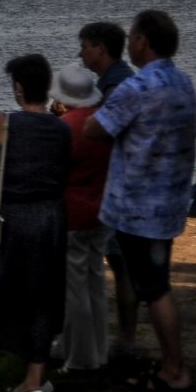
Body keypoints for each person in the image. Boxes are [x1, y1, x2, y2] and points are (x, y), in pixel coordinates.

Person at [87, 9, 196, 392]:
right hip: (169, 201)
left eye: (133, 36)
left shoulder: (137, 87)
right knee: (154, 284)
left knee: (155, 289)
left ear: (142, 42)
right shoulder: (183, 82)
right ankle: (169, 363)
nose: (131, 42)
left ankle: (174, 370)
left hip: (137, 207)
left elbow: (97, 128)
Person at [0, 54, 73, 392]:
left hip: (15, 218)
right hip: (50, 216)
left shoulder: (4, 123)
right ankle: (37, 371)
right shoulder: (63, 127)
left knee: (11, 290)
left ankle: (30, 379)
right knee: (44, 292)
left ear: (18, 87)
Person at [80, 18, 140, 359]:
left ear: (100, 50)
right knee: (120, 265)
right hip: (118, 189)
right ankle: (121, 337)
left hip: (117, 191)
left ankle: (124, 340)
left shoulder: (117, 89)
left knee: (120, 265)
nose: (80, 53)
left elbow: (103, 136)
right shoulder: (117, 84)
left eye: (85, 46)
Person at [53, 65, 114, 376]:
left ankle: (78, 356)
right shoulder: (104, 124)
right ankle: (99, 351)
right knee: (95, 282)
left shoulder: (64, 127)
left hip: (73, 214)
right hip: (101, 211)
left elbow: (56, 172)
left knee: (75, 287)